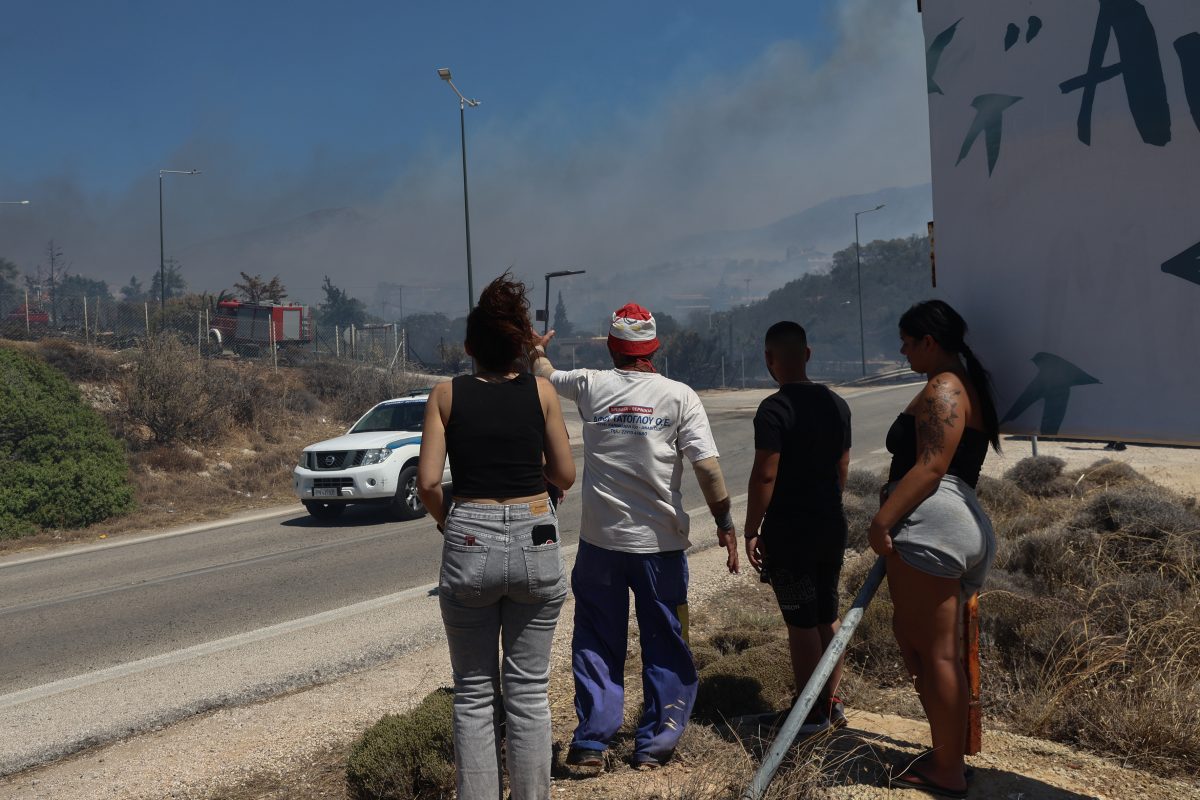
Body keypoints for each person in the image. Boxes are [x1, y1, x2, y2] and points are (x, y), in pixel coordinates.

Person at [531, 302, 738, 771]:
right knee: (666, 640)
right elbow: (707, 468)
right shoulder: (680, 396)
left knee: (597, 640)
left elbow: (546, 373)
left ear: (611, 347)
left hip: (599, 547)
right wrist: (725, 522)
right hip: (660, 551)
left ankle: (590, 743)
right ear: (654, 348)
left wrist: (534, 350)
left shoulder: (590, 385)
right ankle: (655, 744)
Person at [417, 274, 576, 800]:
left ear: (467, 349)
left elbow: (427, 484)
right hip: (535, 534)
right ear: (522, 346)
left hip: (469, 535)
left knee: (473, 693)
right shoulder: (542, 393)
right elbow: (566, 474)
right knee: (529, 693)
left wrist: (450, 522)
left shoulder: (446, 394)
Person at [868, 299, 999, 799]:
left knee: (935, 654)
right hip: (958, 520)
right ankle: (948, 753)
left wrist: (883, 520)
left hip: (933, 522)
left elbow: (929, 466)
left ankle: (946, 769)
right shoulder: (967, 382)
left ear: (928, 341)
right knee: (925, 647)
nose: (902, 352)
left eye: (906, 342)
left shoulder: (945, 386)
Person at [743, 321, 851, 734]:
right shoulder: (837, 404)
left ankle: (809, 713)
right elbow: (842, 467)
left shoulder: (774, 409)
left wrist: (753, 528)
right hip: (830, 522)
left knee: (801, 622)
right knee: (828, 614)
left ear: (769, 360)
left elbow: (765, 476)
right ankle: (829, 703)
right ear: (807, 354)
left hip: (792, 529)